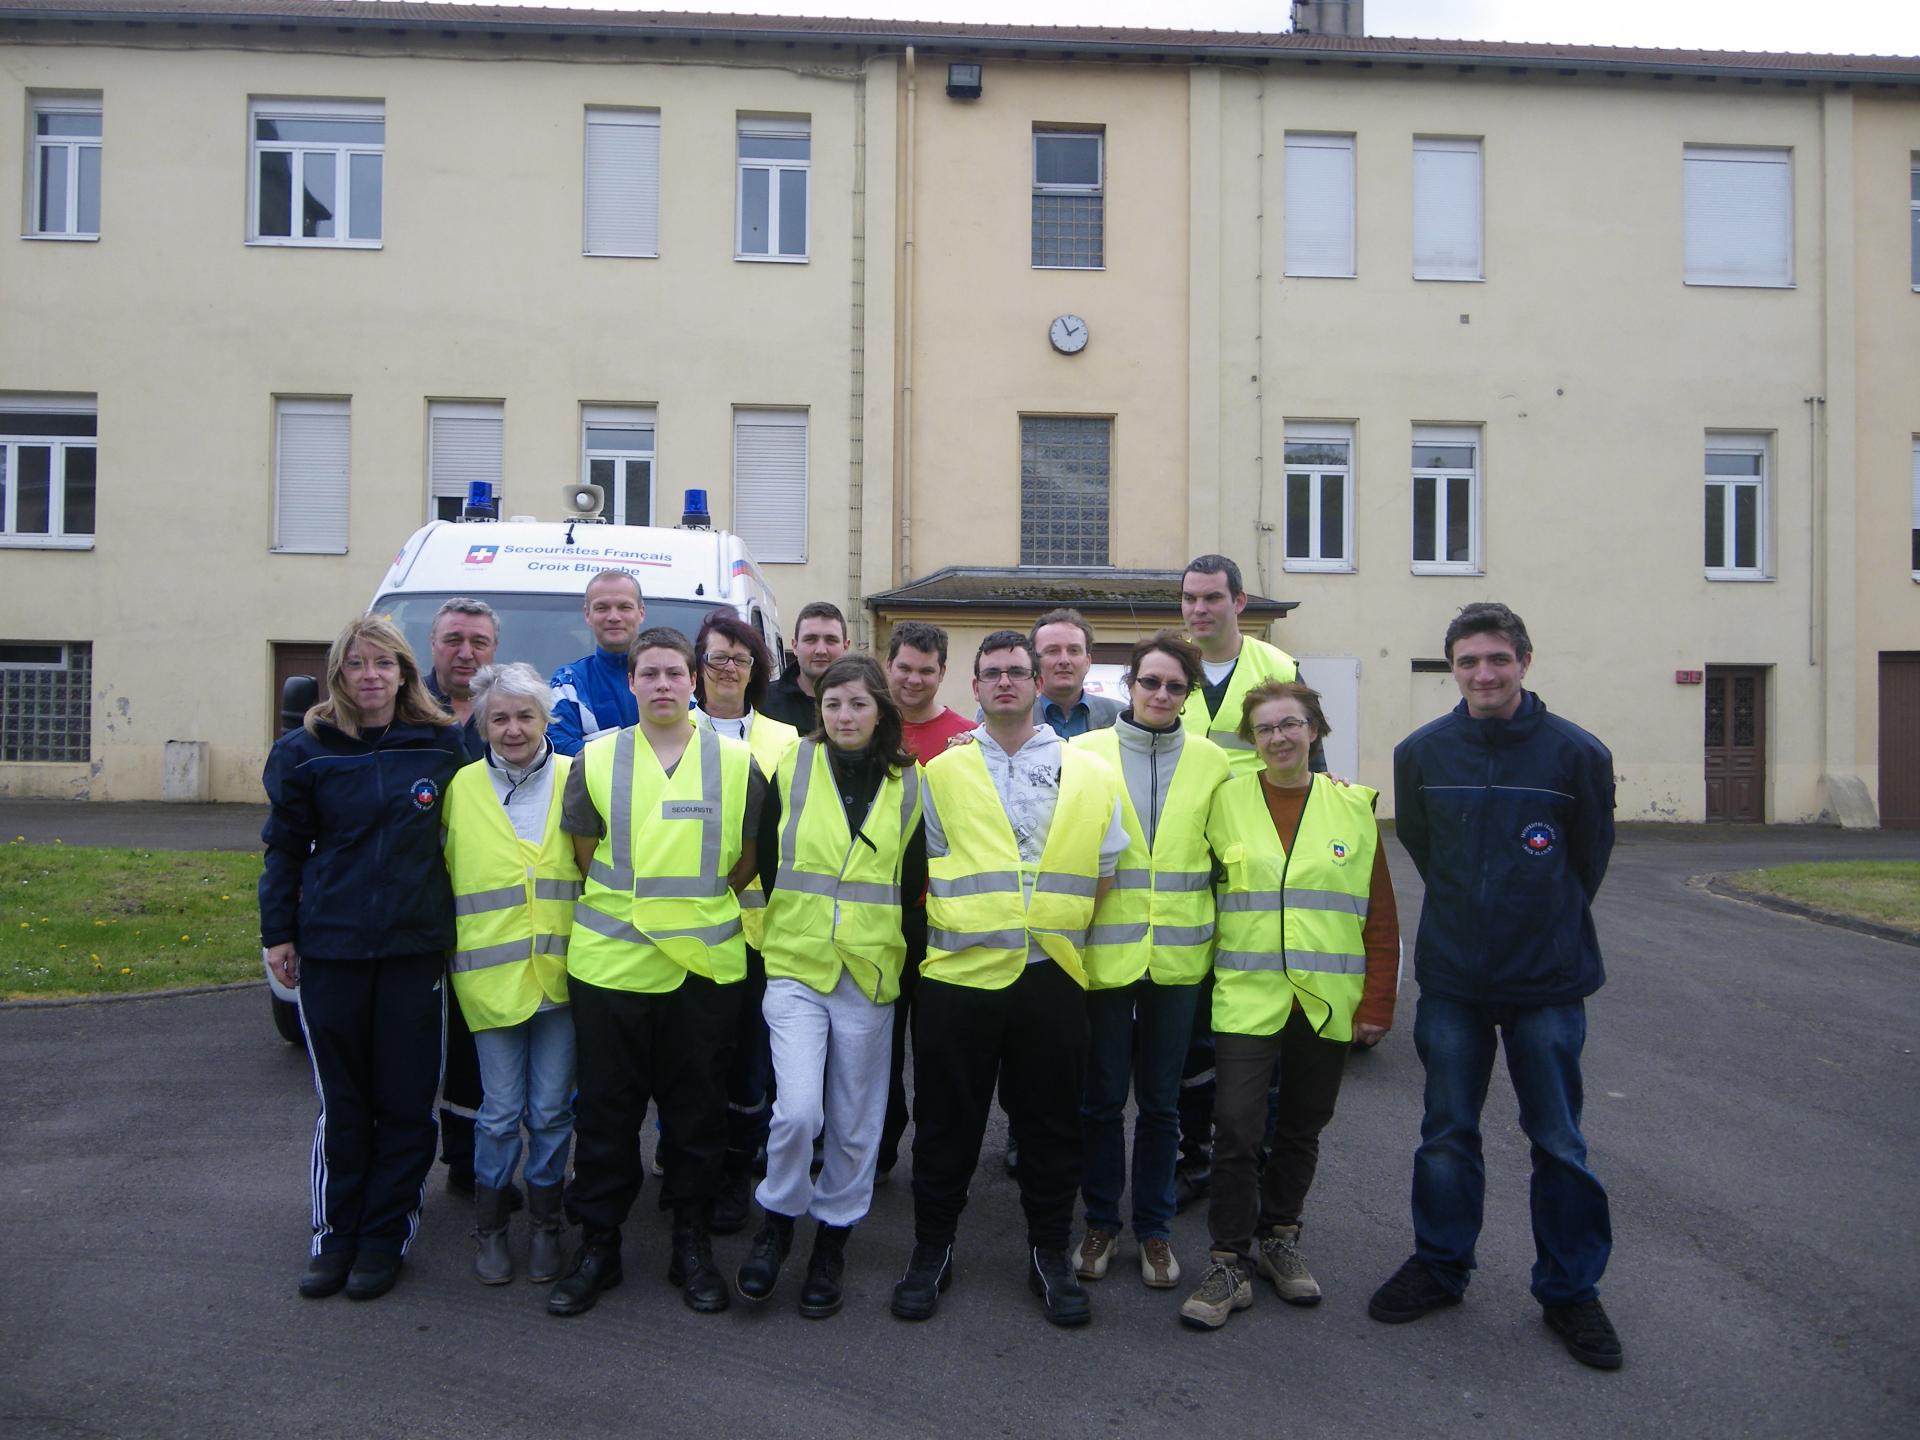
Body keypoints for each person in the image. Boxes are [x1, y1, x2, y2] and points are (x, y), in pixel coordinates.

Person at [1369, 602, 1622, 1371]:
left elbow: (1588, 863)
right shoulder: (1422, 754)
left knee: (1559, 1143)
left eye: (1497, 660)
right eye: (1469, 662)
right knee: (1447, 1133)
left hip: (1548, 982)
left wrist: (1538, 922)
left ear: (1524, 663)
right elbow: (1423, 847)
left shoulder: (1577, 755)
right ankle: (1441, 1267)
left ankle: (1570, 1291)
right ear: (1454, 669)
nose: (1484, 674)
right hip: (1454, 981)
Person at [891, 631, 1126, 1329]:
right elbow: (923, 868)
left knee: (1052, 1128)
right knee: (945, 1125)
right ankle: (932, 1249)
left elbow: (1104, 871)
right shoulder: (941, 772)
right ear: (975, 686)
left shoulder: (1088, 771)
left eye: (1016, 672)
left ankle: (1048, 1254)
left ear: (1036, 682)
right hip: (959, 978)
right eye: (990, 673)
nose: (1004, 683)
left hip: (1051, 974)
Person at [548, 627, 768, 1319]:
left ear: (696, 680)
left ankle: (691, 1244)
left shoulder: (739, 764)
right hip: (612, 967)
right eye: (650, 674)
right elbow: (586, 855)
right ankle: (599, 1246)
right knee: (607, 1116)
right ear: (634, 682)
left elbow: (749, 860)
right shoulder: (596, 757)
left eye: (676, 672)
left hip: (702, 971)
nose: (664, 684)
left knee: (696, 1117)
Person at [260, 615, 468, 1303]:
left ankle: (385, 1236)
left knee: (406, 1101)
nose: (371, 676)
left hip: (413, 950)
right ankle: (334, 1235)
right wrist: (278, 933)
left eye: (385, 664)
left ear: (406, 673)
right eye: (357, 664)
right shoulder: (305, 751)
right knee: (344, 1103)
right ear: (338, 675)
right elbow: (283, 851)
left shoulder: (441, 748)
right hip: (334, 947)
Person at [1179, 680, 1399, 1330]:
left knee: (1301, 1128)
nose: (1279, 737)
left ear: (1315, 731)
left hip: (1325, 1002)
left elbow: (1378, 916)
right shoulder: (1225, 803)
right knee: (1238, 1129)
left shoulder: (1351, 808)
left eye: (1291, 725)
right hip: (1248, 998)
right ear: (1253, 739)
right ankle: (1226, 1261)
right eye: (1267, 727)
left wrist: (1377, 1004)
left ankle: (1279, 1240)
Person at [736, 654, 926, 1316]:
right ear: (820, 711)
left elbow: (914, 881)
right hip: (796, 962)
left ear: (881, 712)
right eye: (834, 705)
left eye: (858, 705)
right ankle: (777, 1224)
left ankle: (832, 1243)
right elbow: (763, 854)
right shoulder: (792, 765)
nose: (845, 716)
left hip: (870, 972)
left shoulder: (912, 782)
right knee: (796, 1111)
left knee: (853, 1123)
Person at [1069, 631, 1229, 1293]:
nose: (1160, 694)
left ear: (1187, 696)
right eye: (1150, 682)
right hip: (1105, 956)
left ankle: (1155, 1229)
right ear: (1128, 686)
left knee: (1163, 1106)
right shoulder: (1084, 753)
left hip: (1181, 960)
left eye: (1174, 686)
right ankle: (1102, 1220)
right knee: (1104, 1101)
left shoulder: (1214, 762)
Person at [441, 662, 581, 1288]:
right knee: (499, 1112)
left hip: (564, 975)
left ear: (547, 719)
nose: (513, 728)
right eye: (499, 717)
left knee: (551, 1110)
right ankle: (492, 1228)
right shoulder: (460, 787)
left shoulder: (579, 779)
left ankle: (547, 1224)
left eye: (526, 715)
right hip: (490, 979)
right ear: (480, 723)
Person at [1173, 554, 1304, 1212]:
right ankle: (1194, 1154)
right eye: (1191, 599)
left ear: (1239, 601)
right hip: (1189, 871)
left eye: (1212, 598)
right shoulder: (1173, 671)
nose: (1200, 610)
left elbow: (1308, 767)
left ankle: (1260, 1153)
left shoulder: (1275, 671)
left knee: (1259, 1018)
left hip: (1257, 868)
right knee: (1197, 1025)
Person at [691, 611, 801, 1232]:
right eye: (715, 657)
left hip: (760, 933)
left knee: (748, 1065)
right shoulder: (667, 733)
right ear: (696, 669)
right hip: (685, 929)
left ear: (757, 669)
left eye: (740, 657)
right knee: (694, 1060)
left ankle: (736, 1172)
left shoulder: (785, 740)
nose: (727, 668)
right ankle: (692, 1167)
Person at [878, 620, 975, 1177]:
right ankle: (883, 1142)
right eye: (905, 667)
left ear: (943, 673)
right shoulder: (866, 729)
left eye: (926, 670)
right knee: (879, 1049)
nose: (914, 680)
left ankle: (934, 1157)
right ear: (888, 665)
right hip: (881, 916)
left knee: (939, 1050)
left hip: (940, 919)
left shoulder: (967, 736)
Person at [419, 597, 500, 1208]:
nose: (465, 651)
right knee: (426, 1044)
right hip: (420, 906)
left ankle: (472, 1162)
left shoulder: (507, 712)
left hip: (490, 912)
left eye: (477, 640)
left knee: (478, 1043)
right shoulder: (405, 713)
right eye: (453, 640)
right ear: (432, 645)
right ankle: (422, 1159)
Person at [547, 570, 645, 756]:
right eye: (602, 608)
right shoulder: (570, 684)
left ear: (641, 612)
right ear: (587, 614)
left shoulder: (674, 676)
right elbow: (556, 745)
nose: (614, 617)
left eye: (624, 607)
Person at [1029, 608, 1123, 737]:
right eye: (1052, 651)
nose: (1064, 660)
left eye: (1073, 650)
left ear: (1087, 662)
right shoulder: (1014, 717)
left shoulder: (1120, 717)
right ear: (1034, 661)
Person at [760, 601, 850, 733]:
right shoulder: (763, 702)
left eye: (831, 640)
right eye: (810, 639)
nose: (821, 650)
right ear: (795, 646)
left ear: (845, 647)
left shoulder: (862, 705)